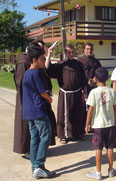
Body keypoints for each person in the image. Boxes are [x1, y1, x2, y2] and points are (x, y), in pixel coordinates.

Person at [22, 42, 56, 178]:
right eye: (42, 59)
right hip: (38, 110)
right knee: (45, 136)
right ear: (34, 60)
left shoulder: (27, 73)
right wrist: (49, 99)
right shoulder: (36, 73)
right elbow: (42, 92)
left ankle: (35, 167)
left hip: (29, 111)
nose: (43, 61)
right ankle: (39, 165)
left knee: (35, 138)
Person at [46, 44, 86, 144]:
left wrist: (84, 92)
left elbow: (83, 79)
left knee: (78, 114)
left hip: (77, 93)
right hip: (65, 94)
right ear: (65, 53)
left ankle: (78, 133)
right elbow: (47, 68)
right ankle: (63, 135)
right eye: (69, 52)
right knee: (64, 116)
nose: (71, 54)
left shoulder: (79, 65)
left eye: (73, 52)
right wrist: (49, 55)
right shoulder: (61, 64)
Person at [85, 67, 116, 180]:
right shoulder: (112, 91)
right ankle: (110, 170)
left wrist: (86, 124)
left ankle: (98, 172)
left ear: (95, 78)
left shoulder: (93, 92)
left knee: (98, 148)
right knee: (110, 147)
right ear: (108, 78)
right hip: (110, 124)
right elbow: (115, 108)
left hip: (98, 125)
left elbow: (90, 109)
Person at [37, 40, 57, 146]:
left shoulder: (43, 60)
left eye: (42, 47)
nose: (41, 49)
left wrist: (49, 54)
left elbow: (47, 68)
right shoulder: (33, 62)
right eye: (39, 47)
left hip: (45, 92)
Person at [13, 47, 31, 158]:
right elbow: (20, 82)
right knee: (24, 125)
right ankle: (25, 149)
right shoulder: (23, 63)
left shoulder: (28, 62)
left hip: (29, 98)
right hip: (24, 98)